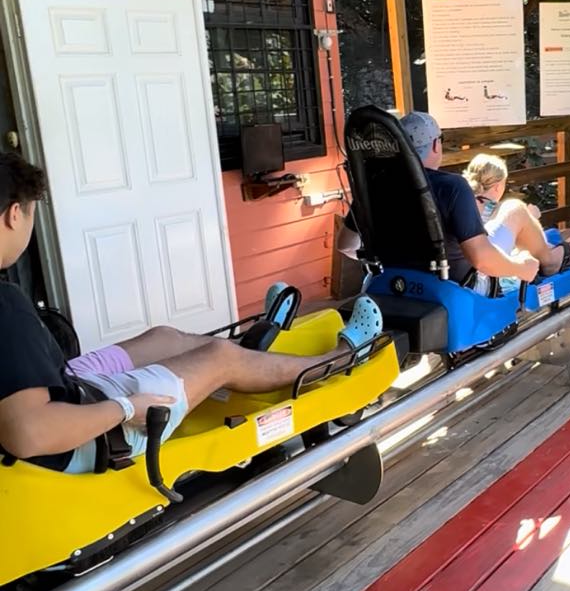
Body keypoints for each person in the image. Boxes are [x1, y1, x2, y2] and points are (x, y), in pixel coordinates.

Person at [0, 152, 385, 474]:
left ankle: (253, 357)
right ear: (14, 215)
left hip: (73, 388)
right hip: (85, 442)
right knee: (220, 356)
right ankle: (340, 356)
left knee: (163, 338)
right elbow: (28, 434)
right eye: (31, 214)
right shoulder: (6, 304)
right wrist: (126, 409)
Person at [337, 112, 540, 286]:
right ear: (436, 145)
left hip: (391, 286)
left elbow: (346, 245)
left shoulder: (375, 187)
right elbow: (481, 260)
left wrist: (382, 262)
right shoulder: (453, 187)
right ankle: (551, 260)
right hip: (452, 289)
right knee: (515, 210)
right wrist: (521, 268)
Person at [462, 154, 570, 277]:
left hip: (465, 261)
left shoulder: (465, 200)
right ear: (497, 187)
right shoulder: (490, 206)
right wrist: (530, 217)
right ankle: (551, 261)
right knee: (515, 208)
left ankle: (549, 250)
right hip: (481, 264)